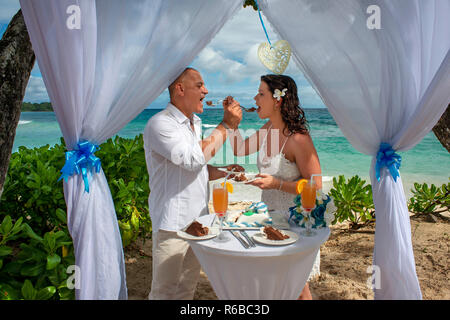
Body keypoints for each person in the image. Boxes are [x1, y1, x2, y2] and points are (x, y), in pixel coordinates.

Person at [143, 67, 243, 299]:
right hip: (172, 223)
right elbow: (191, 159)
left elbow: (195, 166)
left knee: (187, 290)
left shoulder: (194, 122)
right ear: (180, 89)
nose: (206, 90)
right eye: (199, 85)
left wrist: (223, 172)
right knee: (164, 292)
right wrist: (226, 125)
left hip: (198, 219)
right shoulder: (160, 124)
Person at [228, 74, 322, 300]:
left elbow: (315, 185)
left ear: (278, 100)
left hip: (297, 220)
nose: (255, 98)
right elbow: (240, 150)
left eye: (261, 94)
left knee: (298, 287)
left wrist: (277, 184)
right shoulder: (268, 128)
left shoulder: (298, 139)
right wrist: (232, 124)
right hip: (270, 217)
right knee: (277, 285)